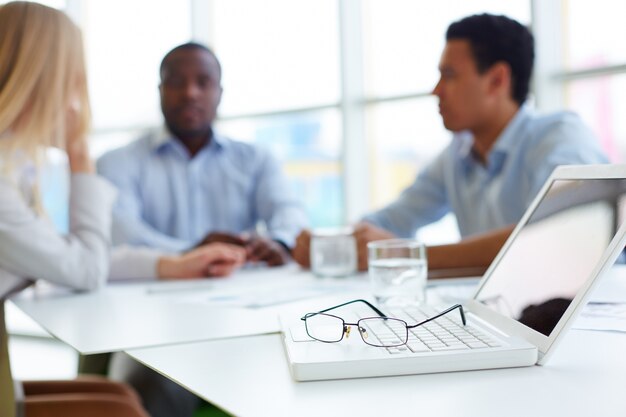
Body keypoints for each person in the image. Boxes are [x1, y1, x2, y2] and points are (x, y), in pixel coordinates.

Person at [293, 13, 608, 273]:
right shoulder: (458, 155)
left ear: (497, 80)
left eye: (449, 75)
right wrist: (335, 243)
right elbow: (390, 221)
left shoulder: (559, 137)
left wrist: (408, 256)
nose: (437, 91)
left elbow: (552, 235)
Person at [97, 42, 308, 267]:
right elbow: (122, 235)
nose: (190, 93)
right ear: (160, 91)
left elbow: (289, 212)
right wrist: (192, 252)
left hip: (240, 287)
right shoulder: (117, 162)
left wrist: (278, 241)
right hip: (147, 294)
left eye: (203, 82)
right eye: (177, 82)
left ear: (219, 92)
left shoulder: (257, 159)